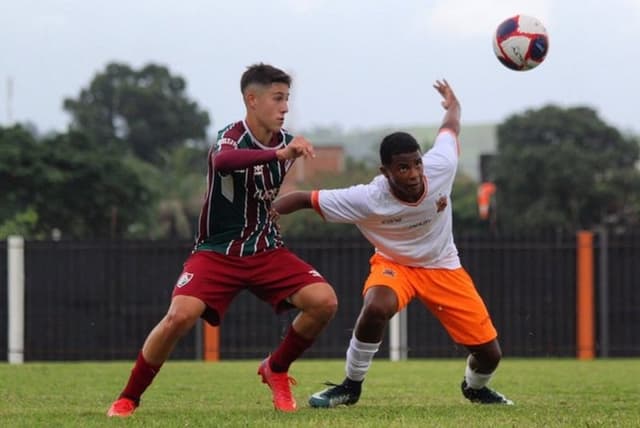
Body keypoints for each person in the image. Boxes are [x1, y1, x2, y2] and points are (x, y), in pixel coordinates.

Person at [107, 63, 338, 417]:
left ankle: (276, 367)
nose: (285, 107)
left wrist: (285, 200)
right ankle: (129, 397)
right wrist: (278, 154)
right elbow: (223, 161)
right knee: (179, 317)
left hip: (265, 249)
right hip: (216, 251)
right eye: (278, 99)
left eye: (287, 99)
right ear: (252, 99)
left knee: (324, 301)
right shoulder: (231, 136)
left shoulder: (287, 143)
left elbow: (264, 191)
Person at [271, 79, 513, 407]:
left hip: (443, 265)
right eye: (402, 167)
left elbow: (451, 127)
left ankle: (475, 387)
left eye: (416, 164)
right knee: (376, 307)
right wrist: (265, 213)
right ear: (385, 171)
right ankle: (350, 386)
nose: (413, 173)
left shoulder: (442, 166)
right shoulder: (368, 198)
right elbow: (303, 198)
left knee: (490, 354)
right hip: (394, 264)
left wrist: (453, 104)